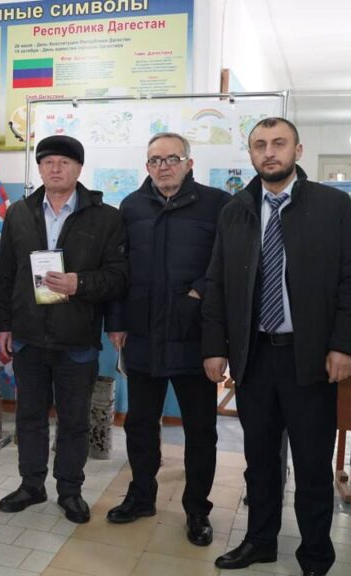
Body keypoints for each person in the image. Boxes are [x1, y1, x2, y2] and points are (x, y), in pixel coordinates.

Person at [203, 118, 351, 576]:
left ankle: (315, 554)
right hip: (254, 356)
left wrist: (344, 345)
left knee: (313, 463)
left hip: (310, 357)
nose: (269, 152)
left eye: (279, 143)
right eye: (260, 144)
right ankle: (260, 541)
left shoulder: (332, 206)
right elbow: (217, 283)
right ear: (251, 153)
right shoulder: (236, 210)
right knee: (259, 461)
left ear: (298, 150)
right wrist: (215, 346)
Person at [0, 135, 127, 524]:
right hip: (28, 336)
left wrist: (78, 283)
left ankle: (70, 491)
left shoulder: (105, 218)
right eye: (48, 161)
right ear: (39, 168)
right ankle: (31, 485)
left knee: (73, 421)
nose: (55, 168)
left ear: (79, 169)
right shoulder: (19, 213)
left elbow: (119, 276)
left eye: (64, 162)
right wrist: (4, 325)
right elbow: (6, 274)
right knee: (29, 417)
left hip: (77, 338)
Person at [104, 133, 229, 545]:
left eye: (172, 158)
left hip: (194, 335)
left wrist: (198, 293)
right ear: (147, 167)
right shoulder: (131, 206)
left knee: (200, 430)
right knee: (140, 425)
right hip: (142, 333)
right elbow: (119, 270)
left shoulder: (217, 204)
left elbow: (226, 263)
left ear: (189, 163)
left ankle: (197, 509)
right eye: (155, 160)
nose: (163, 167)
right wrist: (117, 322)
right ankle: (141, 496)